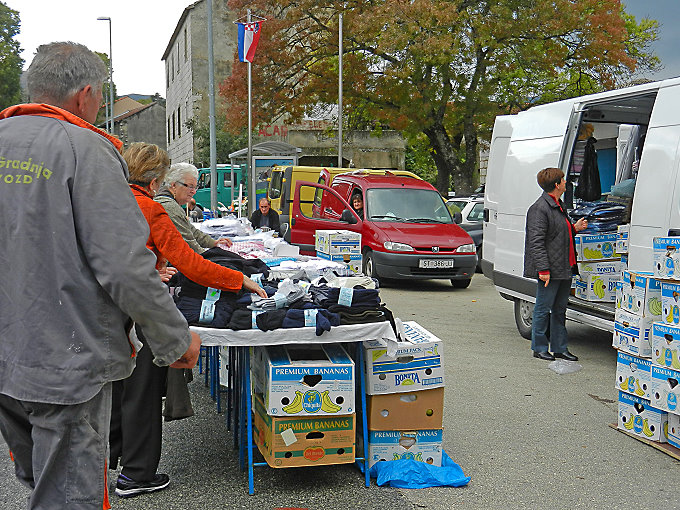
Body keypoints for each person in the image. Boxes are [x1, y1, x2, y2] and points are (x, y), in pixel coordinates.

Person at [0, 42, 201, 510]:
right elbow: (124, 265)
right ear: (85, 94)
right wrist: (174, 339)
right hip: (64, 360)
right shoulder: (84, 150)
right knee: (70, 493)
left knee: (41, 480)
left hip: (9, 358)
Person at [110, 143, 266, 498]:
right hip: (140, 310)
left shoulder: (107, 203)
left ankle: (113, 456)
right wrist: (238, 279)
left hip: (104, 308)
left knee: (117, 386)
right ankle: (136, 474)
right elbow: (190, 262)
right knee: (144, 391)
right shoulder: (151, 209)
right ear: (155, 180)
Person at [524, 167, 588, 361]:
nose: (566, 182)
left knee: (560, 310)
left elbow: (558, 235)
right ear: (557, 185)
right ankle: (539, 347)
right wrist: (543, 269)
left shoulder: (558, 205)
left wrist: (574, 229)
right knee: (543, 309)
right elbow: (536, 241)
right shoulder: (540, 208)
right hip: (549, 269)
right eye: (563, 180)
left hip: (564, 267)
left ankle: (560, 348)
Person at [155, 162, 232, 253]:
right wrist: (211, 258)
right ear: (174, 185)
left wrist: (213, 243)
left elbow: (190, 230)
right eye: (190, 186)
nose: (194, 192)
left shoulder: (170, 203)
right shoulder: (169, 206)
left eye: (195, 187)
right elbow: (190, 246)